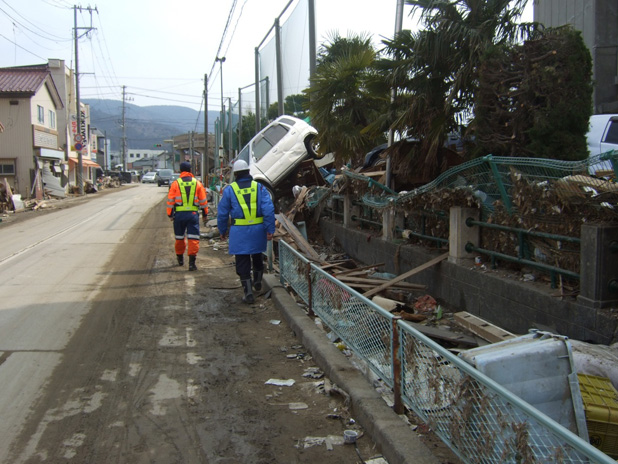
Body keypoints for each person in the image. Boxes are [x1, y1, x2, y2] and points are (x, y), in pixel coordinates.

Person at [217, 160, 276, 304]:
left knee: (242, 261)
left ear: (235, 174)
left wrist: (223, 230)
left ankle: (248, 292)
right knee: (257, 255)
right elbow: (268, 209)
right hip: (257, 230)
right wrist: (270, 229)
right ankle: (257, 281)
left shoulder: (230, 190)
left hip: (239, 232)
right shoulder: (259, 188)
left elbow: (222, 213)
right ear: (248, 172)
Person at [166, 161, 208, 271]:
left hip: (179, 215)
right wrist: (205, 214)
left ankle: (180, 259)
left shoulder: (176, 183)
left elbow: (170, 200)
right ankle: (192, 263)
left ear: (180, 170)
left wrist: (170, 214)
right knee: (193, 238)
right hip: (193, 215)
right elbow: (203, 201)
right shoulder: (197, 183)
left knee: (179, 238)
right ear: (190, 170)